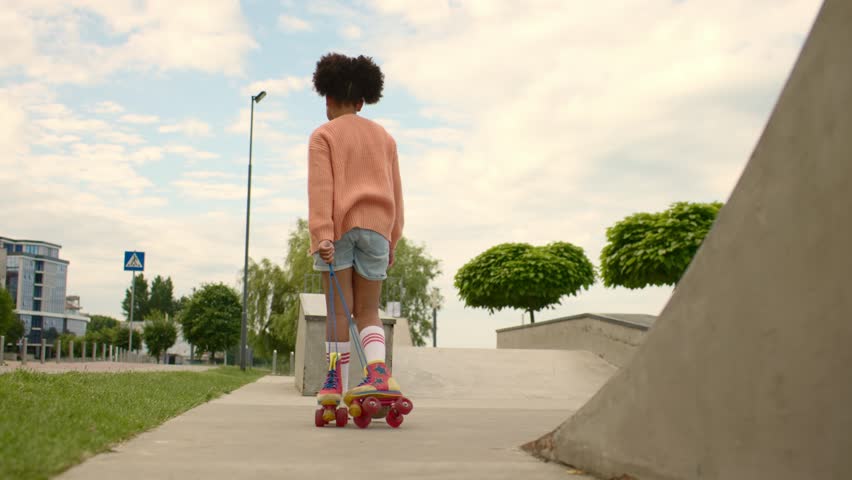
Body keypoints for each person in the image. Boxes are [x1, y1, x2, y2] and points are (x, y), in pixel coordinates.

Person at [307, 52, 404, 412]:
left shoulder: (323, 135)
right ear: (363, 101)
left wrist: (322, 235)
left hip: (340, 228)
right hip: (379, 228)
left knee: (338, 312)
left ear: (328, 98)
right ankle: (378, 372)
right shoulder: (385, 138)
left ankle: (335, 382)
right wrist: (393, 236)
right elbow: (396, 191)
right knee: (368, 310)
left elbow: (321, 189)